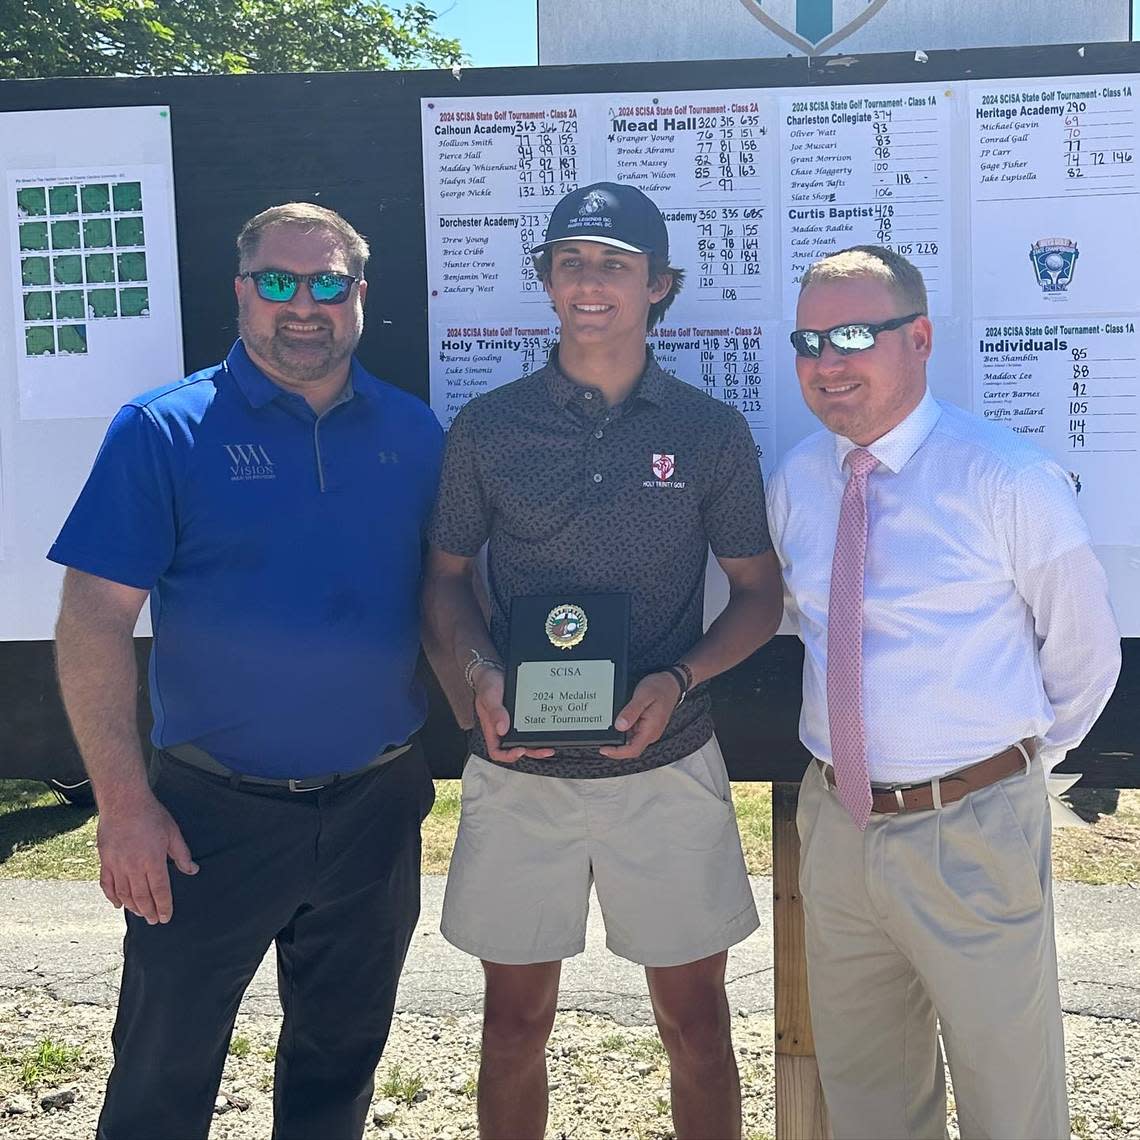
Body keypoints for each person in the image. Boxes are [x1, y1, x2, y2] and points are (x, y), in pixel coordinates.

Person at [50, 202, 444, 1140]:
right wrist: (124, 805)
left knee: (339, 1068)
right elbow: (93, 624)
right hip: (203, 820)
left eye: (326, 283)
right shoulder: (162, 431)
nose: (301, 305)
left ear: (358, 295)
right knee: (160, 1074)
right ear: (240, 291)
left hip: (375, 808)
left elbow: (444, 600)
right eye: (276, 281)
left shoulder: (415, 433)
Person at [423, 181, 783, 1140]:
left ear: (658, 285)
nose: (592, 283)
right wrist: (477, 676)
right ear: (544, 280)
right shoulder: (488, 427)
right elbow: (446, 580)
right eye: (571, 261)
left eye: (616, 265)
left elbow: (759, 596)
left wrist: (679, 680)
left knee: (698, 1025)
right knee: (511, 1026)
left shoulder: (709, 432)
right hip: (519, 768)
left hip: (665, 764)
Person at [765, 244, 1121, 1139]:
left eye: (852, 334)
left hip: (972, 830)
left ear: (918, 339)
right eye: (808, 342)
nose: (827, 363)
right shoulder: (800, 481)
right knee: (869, 1099)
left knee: (1012, 1098)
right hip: (839, 831)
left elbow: (1083, 655)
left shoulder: (1005, 478)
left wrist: (1007, 770)